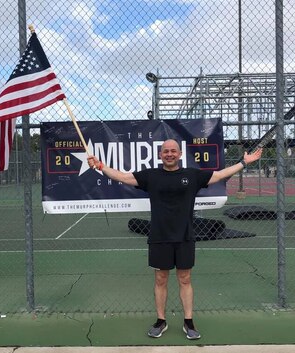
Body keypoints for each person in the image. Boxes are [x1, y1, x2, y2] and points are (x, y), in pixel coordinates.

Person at [87, 139, 262, 340]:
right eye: (165, 151)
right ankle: (161, 321)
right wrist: (100, 165)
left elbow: (220, 175)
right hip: (159, 236)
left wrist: (244, 162)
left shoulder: (192, 175)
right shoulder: (151, 175)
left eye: (173, 151)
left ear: (179, 154)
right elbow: (122, 177)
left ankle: (189, 322)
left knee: (185, 278)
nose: (169, 154)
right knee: (160, 279)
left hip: (185, 235)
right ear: (161, 155)